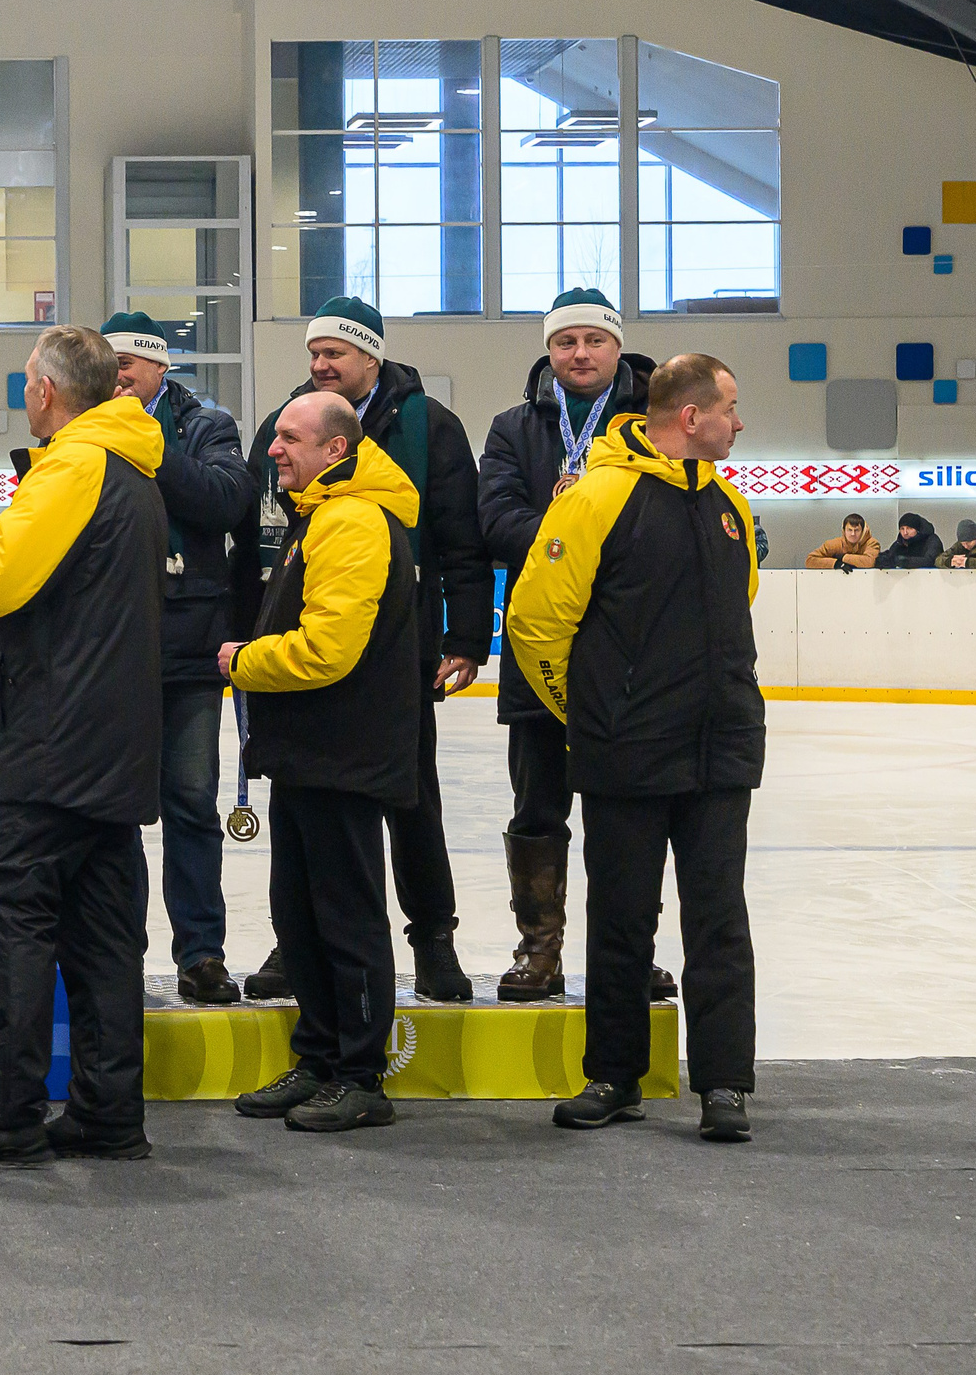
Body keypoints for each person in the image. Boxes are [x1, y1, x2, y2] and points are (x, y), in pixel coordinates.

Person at [0, 326, 165, 1166]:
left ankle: (6, 1109)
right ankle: (107, 1109)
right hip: (114, 740)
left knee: (11, 919)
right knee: (105, 934)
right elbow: (73, 605)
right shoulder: (132, 468)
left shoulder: (73, 466)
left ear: (46, 391)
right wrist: (3, 664)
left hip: (53, 749)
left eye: (25, 384)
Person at [507, 354, 763, 1144]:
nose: (738, 420)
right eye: (730, 405)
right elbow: (534, 622)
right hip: (627, 752)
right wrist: (593, 716)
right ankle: (614, 1074)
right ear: (691, 417)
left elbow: (736, 609)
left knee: (719, 921)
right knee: (621, 917)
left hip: (719, 751)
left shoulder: (731, 508)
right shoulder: (598, 497)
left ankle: (723, 1083)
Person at [237, 296, 492, 1003]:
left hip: (404, 649)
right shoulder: (288, 425)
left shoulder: (430, 426)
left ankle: (432, 935)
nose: (320, 364)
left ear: (371, 357)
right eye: (314, 354)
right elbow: (259, 539)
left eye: (336, 354)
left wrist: (468, 637)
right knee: (306, 815)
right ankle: (297, 941)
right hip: (311, 638)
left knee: (412, 801)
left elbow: (461, 541)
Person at [218, 391, 420, 1133]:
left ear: (337, 449)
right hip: (308, 754)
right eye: (276, 436)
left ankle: (361, 1071)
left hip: (346, 754)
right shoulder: (319, 514)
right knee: (299, 914)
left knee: (346, 916)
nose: (275, 447)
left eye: (292, 438)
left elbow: (329, 650)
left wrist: (246, 659)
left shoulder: (356, 521)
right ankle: (321, 1054)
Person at [476, 288, 664, 1002]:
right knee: (537, 806)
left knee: (628, 811)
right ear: (549, 351)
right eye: (565, 342)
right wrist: (570, 526)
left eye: (593, 340)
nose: (578, 354)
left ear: (617, 346)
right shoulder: (513, 428)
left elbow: (666, 519)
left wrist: (570, 527)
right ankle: (540, 950)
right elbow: (494, 520)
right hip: (539, 644)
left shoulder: (653, 419)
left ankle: (627, 954)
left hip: (629, 650)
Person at [101, 310, 257, 1006]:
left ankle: (201, 953)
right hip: (115, 647)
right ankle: (117, 954)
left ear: (160, 368)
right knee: (118, 810)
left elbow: (226, 501)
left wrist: (150, 446)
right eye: (109, 369)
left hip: (192, 648)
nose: (119, 378)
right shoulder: (86, 426)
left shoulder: (207, 425)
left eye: (130, 366)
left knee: (191, 803)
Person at [805, 514, 878, 571]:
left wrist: (843, 557)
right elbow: (810, 560)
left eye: (856, 530)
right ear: (843, 531)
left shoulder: (872, 543)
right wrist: (835, 563)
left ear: (863, 531)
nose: (853, 534)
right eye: (849, 530)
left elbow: (870, 562)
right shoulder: (833, 545)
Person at [875, 512, 944, 568]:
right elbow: (891, 557)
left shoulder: (932, 540)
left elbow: (931, 560)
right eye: (902, 529)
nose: (905, 532)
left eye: (909, 528)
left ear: (917, 529)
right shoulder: (899, 543)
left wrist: (906, 562)